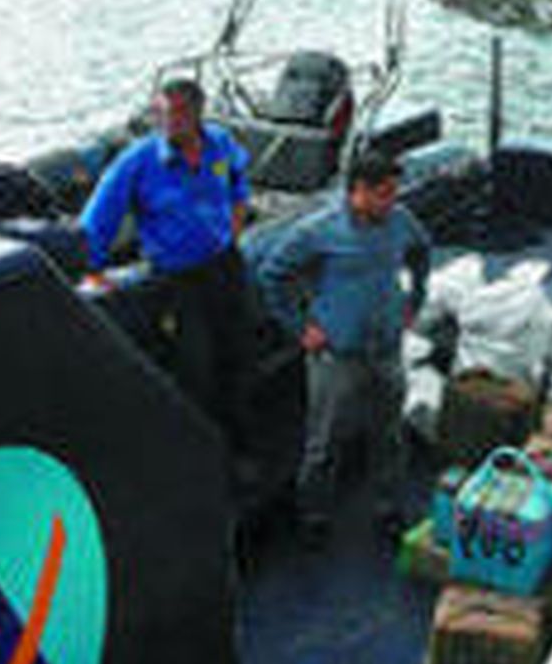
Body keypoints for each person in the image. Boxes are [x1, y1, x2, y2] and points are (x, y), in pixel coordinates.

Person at [255, 143, 430, 545]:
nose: (392, 202)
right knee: (324, 443)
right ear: (358, 191)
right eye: (384, 193)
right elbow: (272, 276)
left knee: (389, 435)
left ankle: (387, 507)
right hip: (336, 356)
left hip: (385, 350)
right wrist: (301, 328)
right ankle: (312, 515)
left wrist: (414, 299)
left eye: (394, 193)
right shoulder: (318, 231)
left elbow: (422, 251)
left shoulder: (401, 221)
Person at [80, 76, 257, 460]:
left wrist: (233, 231)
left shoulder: (220, 144)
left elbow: (239, 188)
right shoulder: (137, 162)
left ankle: (241, 446)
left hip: (224, 266)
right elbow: (98, 221)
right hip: (178, 280)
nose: (166, 121)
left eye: (175, 113)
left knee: (237, 355)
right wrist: (92, 269)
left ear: (196, 114)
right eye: (159, 112)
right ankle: (201, 454)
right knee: (196, 368)